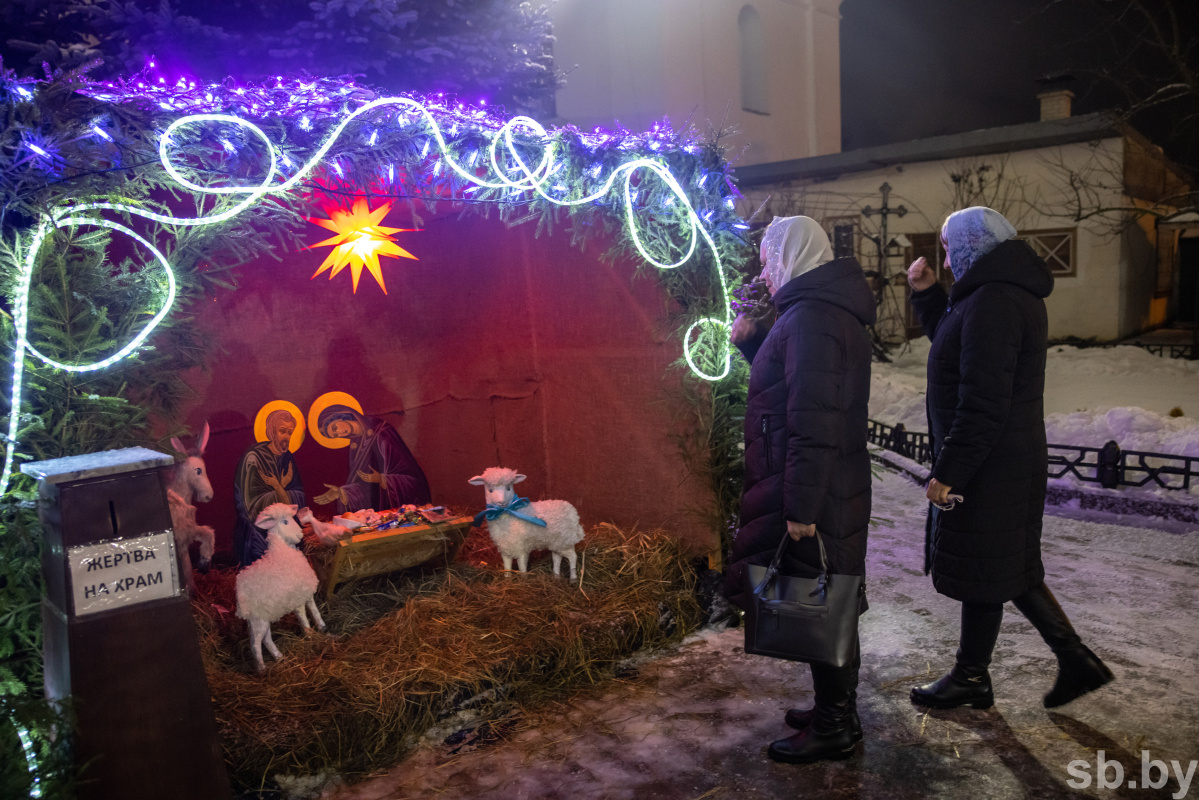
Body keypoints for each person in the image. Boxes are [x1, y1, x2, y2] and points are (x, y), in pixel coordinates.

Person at [906, 206, 1113, 710]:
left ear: (975, 245)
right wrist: (929, 294)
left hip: (991, 465)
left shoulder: (994, 300)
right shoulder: (990, 293)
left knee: (992, 566)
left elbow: (983, 399)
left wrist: (949, 471)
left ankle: (977, 674)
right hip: (1002, 460)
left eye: (952, 247)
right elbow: (955, 347)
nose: (948, 257)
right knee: (1001, 566)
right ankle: (1063, 661)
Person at [724, 216, 875, 764]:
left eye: (769, 255)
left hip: (820, 490)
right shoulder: (812, 313)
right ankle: (838, 709)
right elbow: (794, 389)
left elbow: (814, 419)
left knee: (824, 603)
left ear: (792, 253)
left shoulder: (812, 316)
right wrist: (755, 344)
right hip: (830, 483)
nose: (765, 267)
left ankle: (836, 725)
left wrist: (802, 508)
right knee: (828, 599)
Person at [312, 405, 431, 512]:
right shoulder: (356, 446)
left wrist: (381, 479)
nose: (340, 433)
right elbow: (364, 488)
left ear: (341, 416)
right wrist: (342, 493)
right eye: (336, 435)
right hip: (379, 514)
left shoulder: (381, 432)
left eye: (334, 428)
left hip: (400, 509)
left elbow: (412, 479)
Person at [234, 409, 306, 566]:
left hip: (287, 527)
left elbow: (297, 495)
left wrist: (279, 486)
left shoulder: (287, 457)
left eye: (289, 432)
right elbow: (252, 504)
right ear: (272, 432)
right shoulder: (254, 458)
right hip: (260, 529)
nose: (286, 436)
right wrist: (280, 490)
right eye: (282, 431)